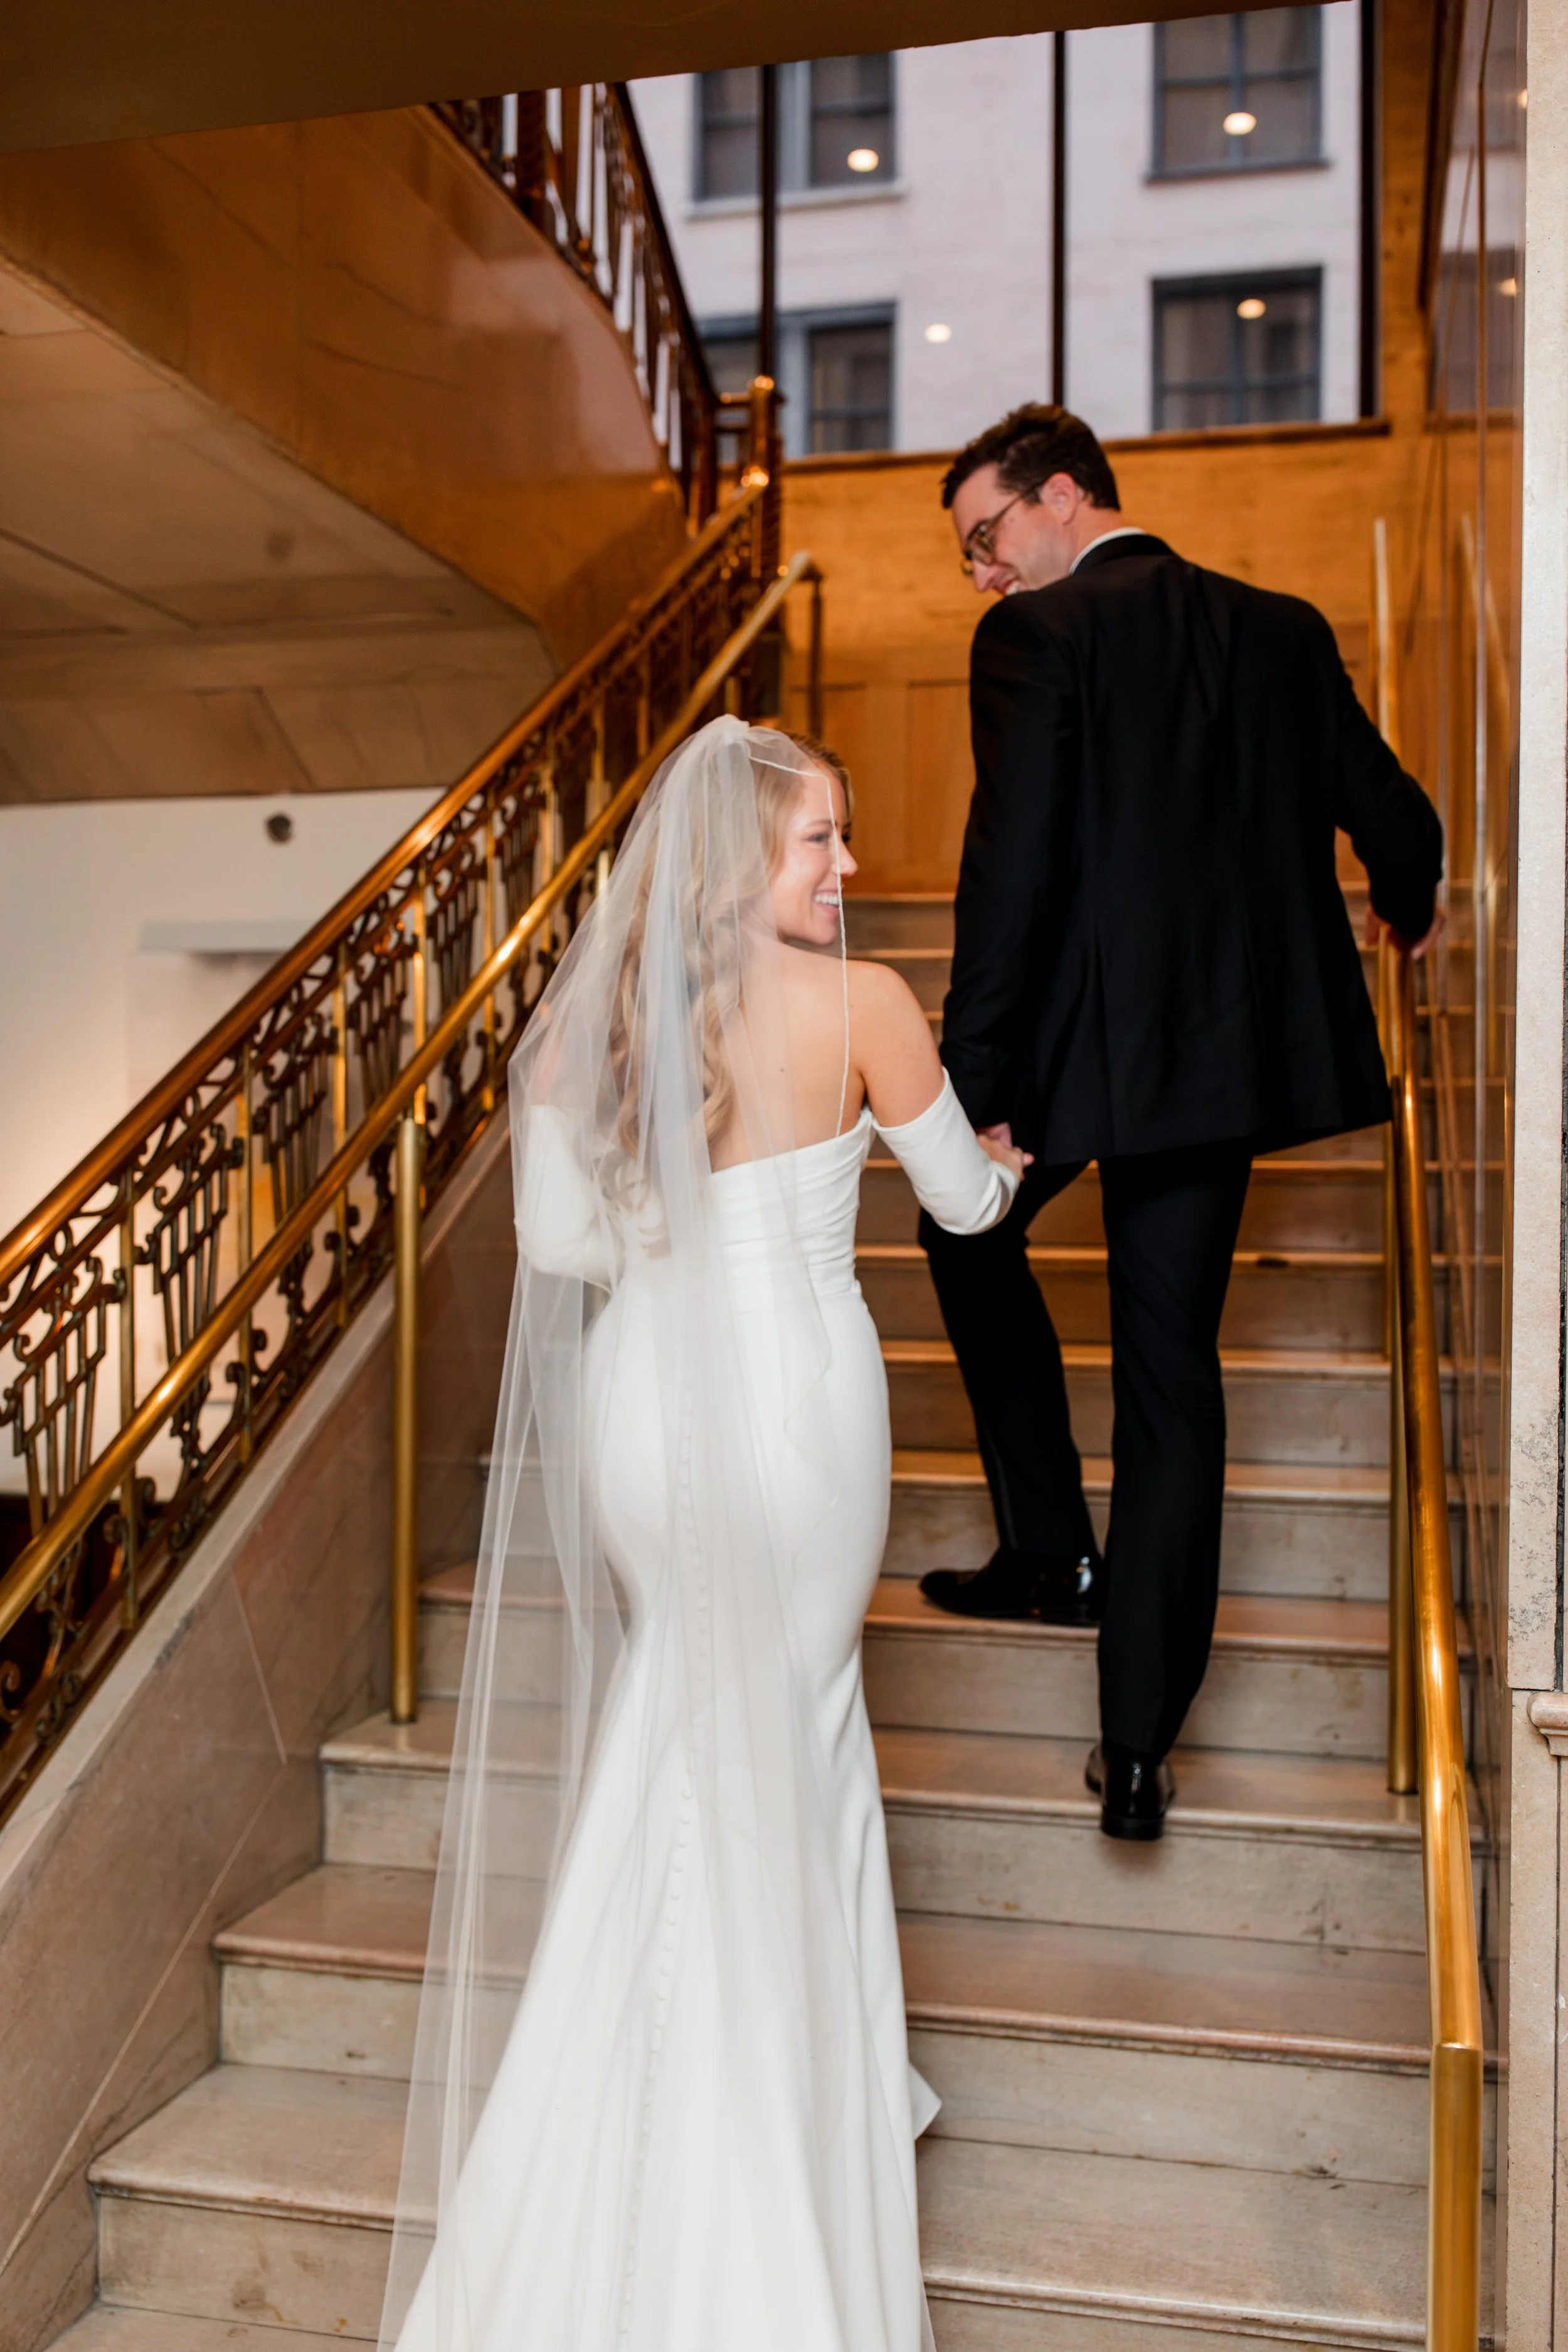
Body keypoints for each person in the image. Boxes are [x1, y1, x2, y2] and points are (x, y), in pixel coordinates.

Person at [378, 716, 1026, 2352]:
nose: (848, 867)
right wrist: (994, 1160)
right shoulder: (867, 1002)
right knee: (792, 1727)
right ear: (747, 857)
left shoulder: (592, 1024)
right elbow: (961, 1206)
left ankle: (612, 2109)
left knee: (681, 1713)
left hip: (645, 1405)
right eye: (822, 840)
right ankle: (776, 2115)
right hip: (797, 1406)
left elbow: (564, 1242)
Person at [918, 403, 1443, 1842]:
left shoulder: (1037, 639)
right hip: (1218, 1068)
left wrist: (966, 1097)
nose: (981, 574)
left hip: (1078, 1055)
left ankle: (1048, 1550)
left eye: (987, 537)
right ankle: (1136, 1743)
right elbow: (1396, 818)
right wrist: (1405, 901)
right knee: (1168, 1369)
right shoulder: (1278, 628)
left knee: (957, 1229)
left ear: (1068, 496)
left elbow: (1007, 879)